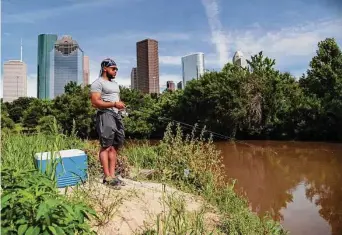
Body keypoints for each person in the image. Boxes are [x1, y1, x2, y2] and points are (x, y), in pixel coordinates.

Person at [90, 58, 126, 189]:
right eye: (113, 68)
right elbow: (95, 102)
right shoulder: (97, 83)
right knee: (106, 146)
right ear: (105, 68)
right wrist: (114, 104)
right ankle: (107, 177)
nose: (115, 71)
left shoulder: (115, 84)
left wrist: (119, 105)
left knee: (115, 145)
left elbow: (116, 99)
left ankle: (113, 175)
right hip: (105, 115)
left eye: (116, 69)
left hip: (117, 115)